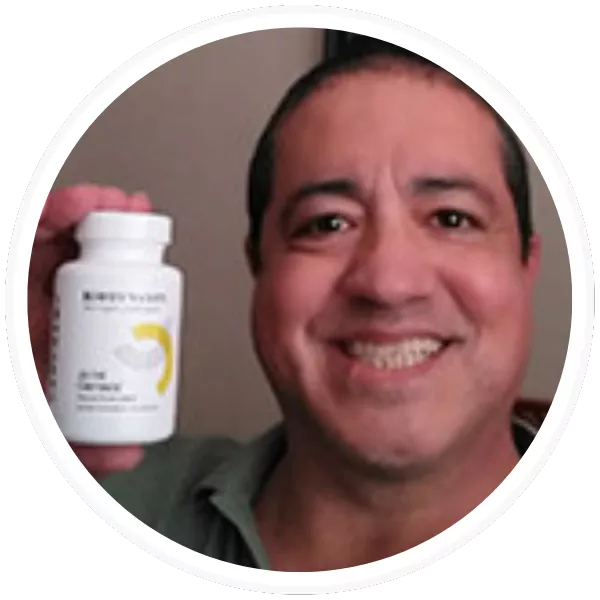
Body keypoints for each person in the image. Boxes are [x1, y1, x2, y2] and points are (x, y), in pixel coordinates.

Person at [29, 37, 549, 571]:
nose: (389, 283)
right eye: (327, 223)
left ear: (525, 264)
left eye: (452, 218)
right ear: (259, 265)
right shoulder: (107, 493)